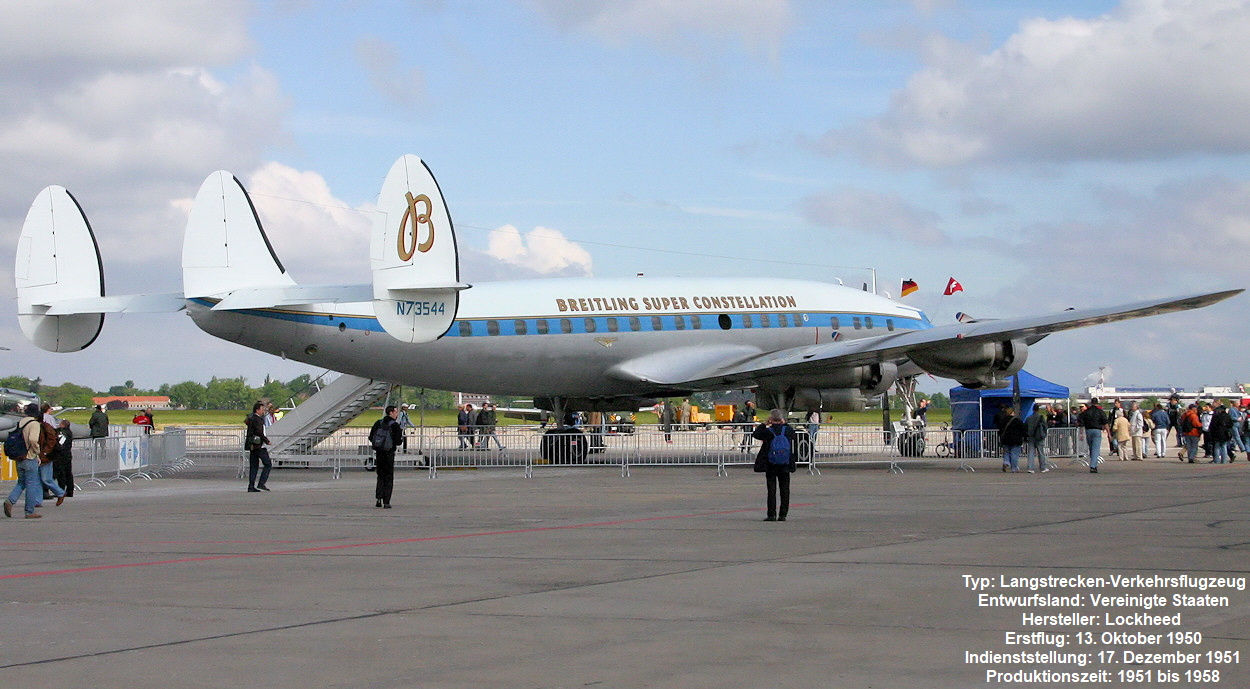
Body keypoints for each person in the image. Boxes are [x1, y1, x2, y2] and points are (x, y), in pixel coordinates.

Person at [752, 409, 797, 521]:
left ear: (771, 419)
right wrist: (784, 423)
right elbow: (794, 436)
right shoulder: (788, 430)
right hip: (785, 463)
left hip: (771, 463)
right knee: (785, 489)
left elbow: (756, 434)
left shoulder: (768, 431)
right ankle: (783, 514)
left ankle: (771, 514)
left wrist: (764, 424)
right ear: (782, 419)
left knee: (771, 490)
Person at [5, 404, 46, 518]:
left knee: (21, 482)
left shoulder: (21, 422)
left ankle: (10, 500)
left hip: (20, 456)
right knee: (31, 484)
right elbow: (32, 439)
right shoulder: (34, 424)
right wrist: (37, 450)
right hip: (29, 456)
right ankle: (29, 511)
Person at [369, 405, 403, 508]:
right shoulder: (395, 426)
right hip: (389, 454)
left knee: (380, 476)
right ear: (391, 413)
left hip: (379, 453)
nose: (397, 414)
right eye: (396, 412)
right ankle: (386, 501)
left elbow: (371, 437)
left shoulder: (378, 423)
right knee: (388, 477)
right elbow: (398, 441)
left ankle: (378, 499)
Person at [244, 401, 272, 492]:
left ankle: (251, 486)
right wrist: (266, 440)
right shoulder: (258, 419)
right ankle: (261, 483)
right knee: (268, 464)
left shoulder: (251, 418)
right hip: (259, 446)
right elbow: (259, 432)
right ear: (257, 410)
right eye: (262, 409)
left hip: (253, 445)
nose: (263, 410)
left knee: (254, 466)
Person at [1078, 398, 1109, 473]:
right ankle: (1093, 466)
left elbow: (1081, 422)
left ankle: (1093, 464)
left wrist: (1081, 433)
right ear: (1097, 403)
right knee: (1096, 448)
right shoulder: (1100, 412)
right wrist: (1109, 433)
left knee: (1091, 448)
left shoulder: (1086, 412)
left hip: (1088, 430)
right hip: (1097, 430)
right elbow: (1105, 422)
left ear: (1091, 403)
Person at [51, 419, 74, 498]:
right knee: (68, 473)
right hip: (67, 455)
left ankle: (61, 490)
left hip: (60, 456)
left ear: (62, 425)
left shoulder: (60, 432)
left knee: (60, 474)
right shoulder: (69, 433)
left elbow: (59, 443)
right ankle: (70, 490)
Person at [998, 407, 1025, 473]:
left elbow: (1000, 430)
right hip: (1016, 440)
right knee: (1014, 454)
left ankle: (1006, 463)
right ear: (1013, 412)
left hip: (1005, 440)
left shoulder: (1003, 420)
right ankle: (1014, 468)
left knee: (1007, 452)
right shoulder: (1017, 420)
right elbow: (1022, 429)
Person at [1023, 403, 1049, 473]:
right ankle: (1042, 467)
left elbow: (1025, 426)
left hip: (1031, 436)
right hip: (1039, 436)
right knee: (1041, 452)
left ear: (1033, 409)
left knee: (1031, 452)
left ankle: (1030, 468)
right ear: (1038, 409)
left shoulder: (1029, 418)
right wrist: (1044, 434)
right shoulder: (1041, 417)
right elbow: (1045, 426)